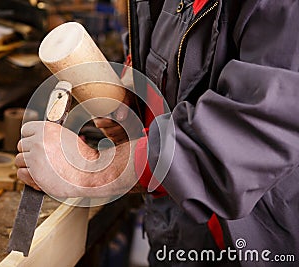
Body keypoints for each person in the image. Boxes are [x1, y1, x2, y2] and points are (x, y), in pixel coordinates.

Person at [16, 0, 299, 266]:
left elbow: (256, 128)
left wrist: (90, 171)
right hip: (173, 229)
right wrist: (135, 94)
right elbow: (169, 40)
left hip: (252, 242)